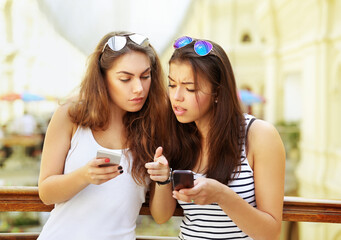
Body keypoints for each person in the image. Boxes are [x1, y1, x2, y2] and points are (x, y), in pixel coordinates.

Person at [145, 36, 285, 240]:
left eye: (189, 88)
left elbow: (270, 233)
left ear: (217, 92)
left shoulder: (259, 136)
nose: (176, 96)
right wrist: (163, 178)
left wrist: (221, 194)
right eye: (172, 84)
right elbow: (161, 216)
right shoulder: (176, 134)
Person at [37, 31, 168, 240]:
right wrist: (84, 176)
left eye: (145, 76)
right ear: (102, 77)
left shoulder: (155, 127)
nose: (138, 88)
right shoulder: (70, 115)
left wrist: (164, 179)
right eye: (125, 79)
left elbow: (161, 217)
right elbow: (46, 193)